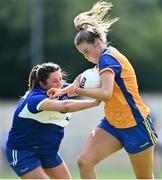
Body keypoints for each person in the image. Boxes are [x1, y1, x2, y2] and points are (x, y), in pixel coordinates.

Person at [47, 1, 158, 179]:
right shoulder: (101, 60)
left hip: (136, 125)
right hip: (113, 123)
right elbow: (84, 84)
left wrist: (78, 90)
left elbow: (105, 93)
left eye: (86, 51)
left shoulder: (108, 60)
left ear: (98, 43)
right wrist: (63, 91)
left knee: (144, 178)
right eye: (82, 53)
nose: (86, 56)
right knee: (84, 162)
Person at [5, 62, 100, 179]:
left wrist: (96, 73)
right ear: (42, 83)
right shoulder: (35, 99)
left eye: (61, 78)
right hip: (23, 152)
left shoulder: (60, 90)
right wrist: (94, 103)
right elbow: (65, 106)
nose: (60, 84)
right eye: (55, 81)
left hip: (48, 151)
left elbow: (80, 85)